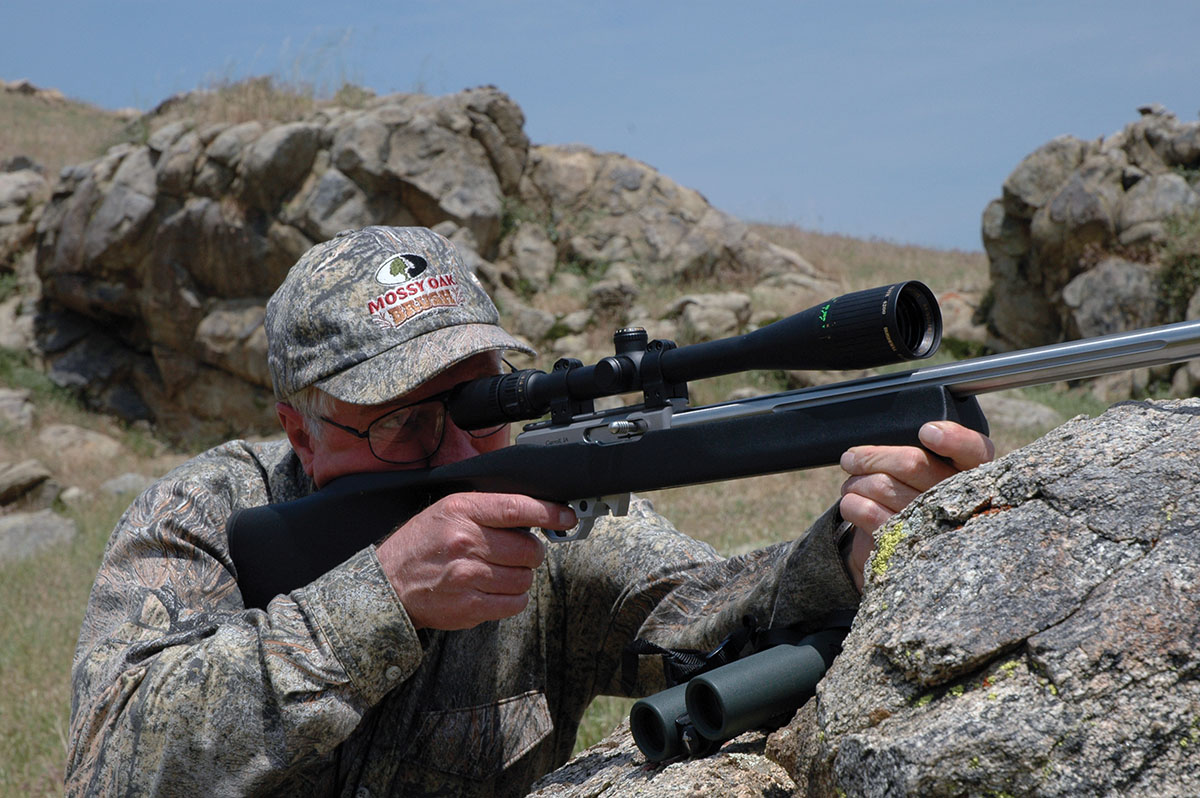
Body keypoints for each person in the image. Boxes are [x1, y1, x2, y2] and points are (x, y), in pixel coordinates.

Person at [67, 226, 994, 796]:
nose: (461, 450)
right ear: (300, 432)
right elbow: (117, 769)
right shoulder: (206, 514)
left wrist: (861, 544)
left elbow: (718, 620)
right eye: (405, 422)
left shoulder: (548, 514)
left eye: (485, 407)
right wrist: (376, 600)